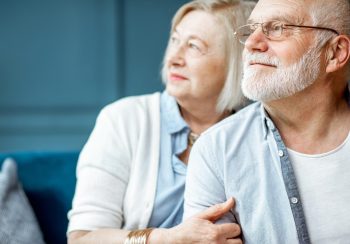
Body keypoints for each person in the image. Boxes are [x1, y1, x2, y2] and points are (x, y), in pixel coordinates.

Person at [67, 0, 255, 243]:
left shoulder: (256, 132)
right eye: (175, 40)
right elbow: (82, 239)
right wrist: (164, 239)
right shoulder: (124, 119)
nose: (174, 58)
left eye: (194, 47)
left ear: (237, 63)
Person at [184, 0, 350, 243]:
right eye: (251, 30)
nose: (252, 43)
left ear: (335, 53)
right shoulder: (215, 150)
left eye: (278, 28)